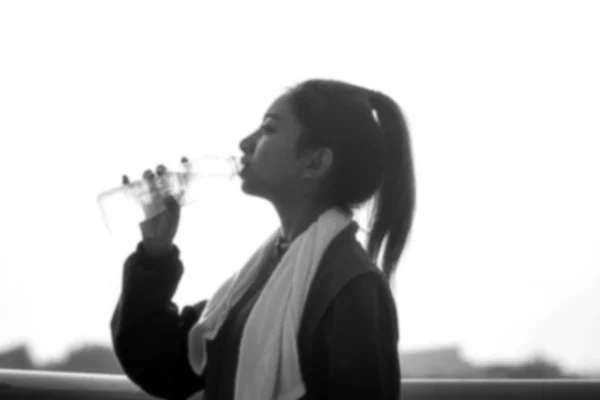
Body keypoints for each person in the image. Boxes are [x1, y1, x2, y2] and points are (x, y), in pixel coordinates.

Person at [111, 79, 416, 400]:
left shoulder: (352, 286)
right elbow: (163, 366)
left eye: (268, 129)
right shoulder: (261, 275)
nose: (245, 143)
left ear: (314, 163)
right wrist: (155, 253)